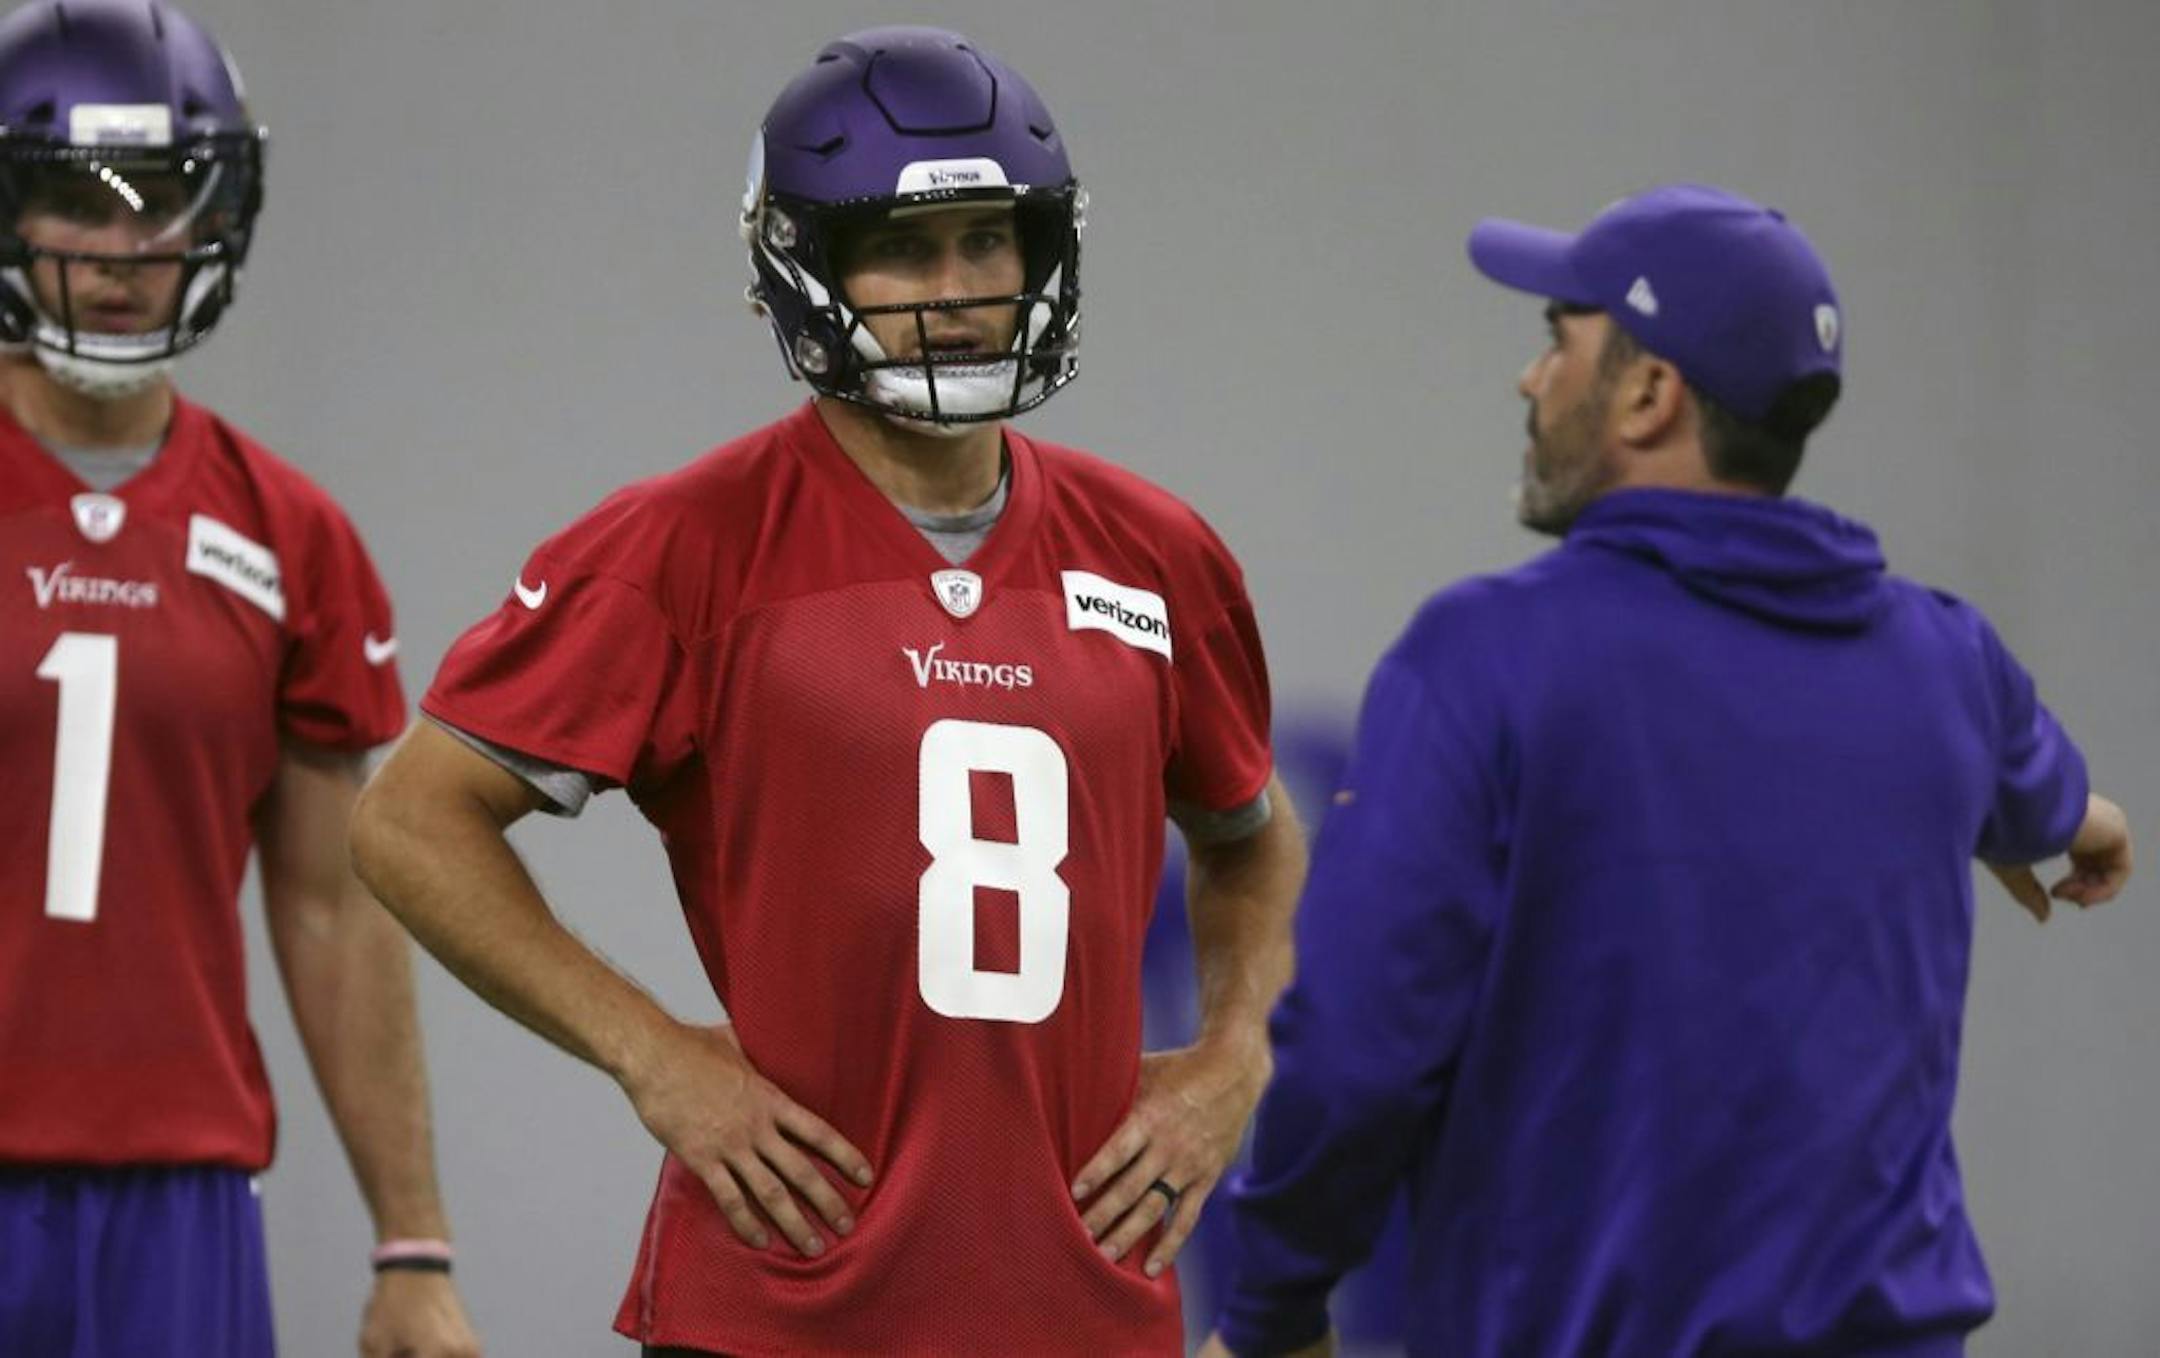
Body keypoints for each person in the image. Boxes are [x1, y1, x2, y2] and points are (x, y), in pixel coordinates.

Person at [350, 25, 1305, 1358]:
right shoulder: (689, 540)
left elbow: (1250, 836)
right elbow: (408, 817)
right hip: (783, 1303)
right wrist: (655, 1052)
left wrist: (1231, 1058)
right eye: (906, 248)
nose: (960, 289)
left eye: (989, 239)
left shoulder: (1157, 550)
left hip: (1082, 1300)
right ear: (806, 268)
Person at [1202, 183, 2134, 1358]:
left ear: (1649, 394)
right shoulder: (1948, 663)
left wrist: (1273, 1307)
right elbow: (2043, 790)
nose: (1531, 380)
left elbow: (1353, 1045)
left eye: (1559, 341)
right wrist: (2067, 818)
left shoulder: (1488, 655)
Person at [0, 2, 481, 1356]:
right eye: (71, 202)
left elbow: (334, 906)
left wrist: (414, 1241)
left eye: (158, 199)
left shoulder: (289, 534)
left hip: (180, 1189)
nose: (119, 250)